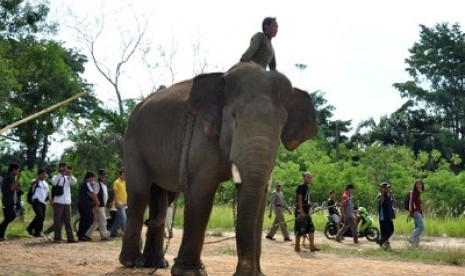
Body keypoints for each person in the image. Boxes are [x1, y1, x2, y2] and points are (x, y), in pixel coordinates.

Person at [51, 163, 78, 243]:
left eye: (65, 168)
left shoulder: (68, 178)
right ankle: (57, 237)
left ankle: (70, 238)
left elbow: (74, 182)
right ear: (59, 168)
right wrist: (60, 174)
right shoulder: (56, 177)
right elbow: (54, 183)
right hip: (58, 201)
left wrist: (70, 175)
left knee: (68, 221)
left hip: (67, 202)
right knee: (57, 221)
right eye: (62, 168)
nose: (64, 170)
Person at [294, 172, 320, 252]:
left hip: (307, 211)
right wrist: (301, 212)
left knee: (311, 229)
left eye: (311, 177)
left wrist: (310, 205)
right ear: (304, 178)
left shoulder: (307, 188)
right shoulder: (301, 187)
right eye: (308, 177)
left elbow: (305, 200)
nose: (310, 178)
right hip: (300, 211)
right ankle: (297, 246)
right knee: (299, 229)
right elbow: (299, 200)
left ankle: (312, 246)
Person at [86, 169, 111, 241]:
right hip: (99, 206)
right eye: (101, 175)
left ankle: (87, 234)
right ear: (99, 175)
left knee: (96, 221)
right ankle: (104, 236)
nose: (103, 176)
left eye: (104, 175)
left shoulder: (103, 185)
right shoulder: (97, 184)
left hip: (102, 205)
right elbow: (95, 195)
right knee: (103, 220)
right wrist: (96, 205)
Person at [0, 163, 21, 241]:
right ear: (14, 169)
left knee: (10, 217)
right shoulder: (10, 177)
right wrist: (18, 178)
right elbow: (12, 188)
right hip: (7, 201)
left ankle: (1, 234)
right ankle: (1, 233)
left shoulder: (9, 177)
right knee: (9, 217)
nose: (18, 172)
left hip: (9, 201)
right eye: (18, 170)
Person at [26, 169, 49, 237]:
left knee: (42, 217)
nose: (44, 175)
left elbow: (47, 193)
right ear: (39, 174)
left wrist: (50, 201)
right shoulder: (35, 181)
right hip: (36, 200)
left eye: (44, 174)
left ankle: (37, 232)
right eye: (43, 174)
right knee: (40, 215)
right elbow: (32, 184)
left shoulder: (45, 183)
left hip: (43, 201)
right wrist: (38, 179)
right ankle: (30, 228)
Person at [77, 171, 99, 241]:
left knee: (84, 219)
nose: (93, 180)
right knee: (89, 218)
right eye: (92, 178)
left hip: (82, 204)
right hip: (85, 204)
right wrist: (97, 202)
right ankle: (82, 234)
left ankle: (81, 234)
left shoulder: (84, 184)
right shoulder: (87, 184)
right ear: (90, 178)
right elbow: (93, 194)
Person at [376, 182, 396, 250]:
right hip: (383, 217)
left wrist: (392, 195)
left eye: (388, 188)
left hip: (389, 216)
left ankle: (381, 241)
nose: (387, 189)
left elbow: (394, 203)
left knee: (391, 230)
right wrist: (382, 193)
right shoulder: (380, 195)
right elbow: (381, 203)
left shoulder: (388, 196)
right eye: (385, 188)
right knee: (385, 232)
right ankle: (383, 243)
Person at [407, 179, 425, 247]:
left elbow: (418, 204)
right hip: (415, 212)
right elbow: (411, 203)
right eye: (417, 184)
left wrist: (421, 213)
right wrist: (410, 212)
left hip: (418, 211)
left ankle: (415, 245)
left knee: (417, 227)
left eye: (420, 184)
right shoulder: (413, 193)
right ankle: (411, 238)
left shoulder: (419, 193)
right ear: (415, 185)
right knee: (421, 227)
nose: (419, 185)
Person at [110, 169, 127, 237]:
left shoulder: (124, 182)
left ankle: (113, 232)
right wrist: (116, 202)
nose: (124, 176)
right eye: (123, 174)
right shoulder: (116, 182)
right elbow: (115, 193)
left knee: (118, 219)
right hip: (119, 203)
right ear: (120, 175)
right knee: (124, 218)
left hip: (124, 203)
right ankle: (126, 233)